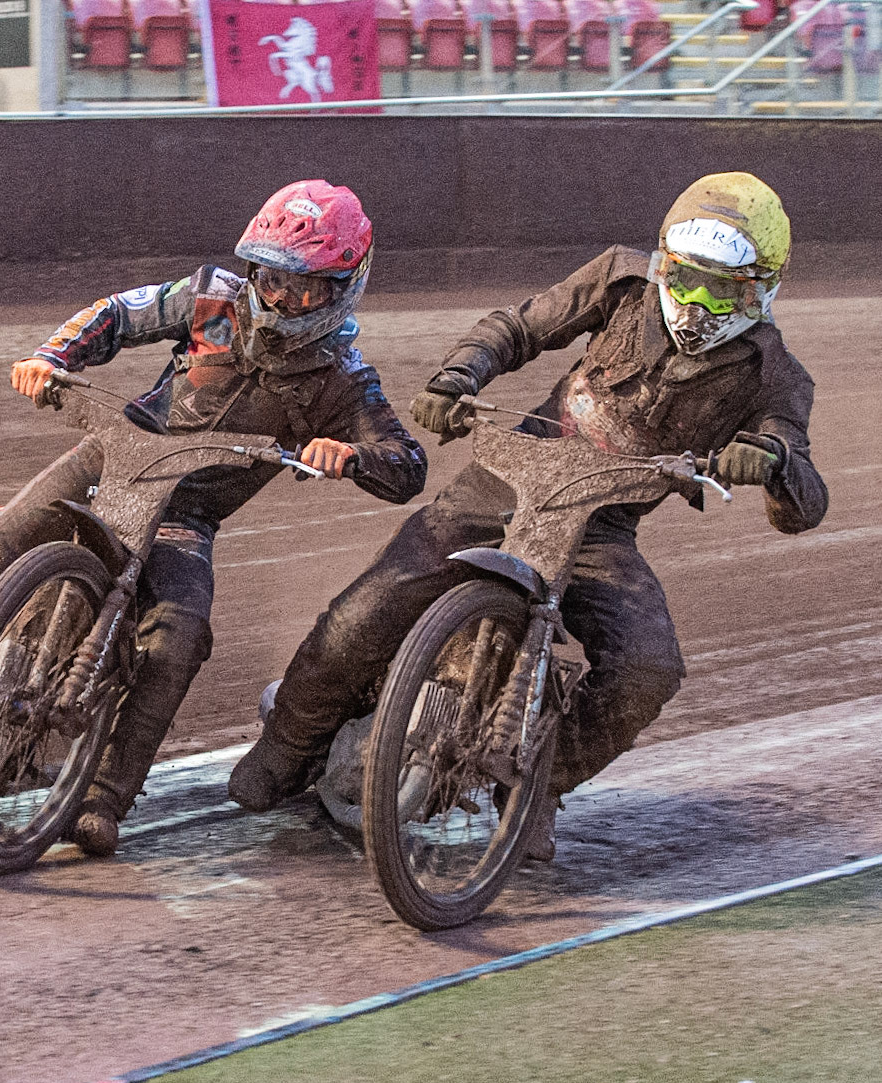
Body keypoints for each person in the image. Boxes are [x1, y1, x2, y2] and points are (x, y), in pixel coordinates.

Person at [0, 180, 428, 856]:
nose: (279, 298)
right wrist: (53, 357)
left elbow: (407, 462)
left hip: (183, 518)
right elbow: (116, 315)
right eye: (271, 278)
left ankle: (106, 797)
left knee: (179, 638)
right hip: (107, 464)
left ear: (342, 288)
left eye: (302, 288)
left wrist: (350, 456)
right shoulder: (215, 303)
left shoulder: (341, 380)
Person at [233, 172, 828, 860]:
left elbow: (800, 499)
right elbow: (518, 326)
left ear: (759, 289)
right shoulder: (618, 280)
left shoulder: (775, 375)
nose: (694, 300)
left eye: (718, 288)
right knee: (374, 601)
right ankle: (285, 743)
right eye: (684, 277)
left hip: (600, 529)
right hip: (508, 478)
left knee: (647, 666)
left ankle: (538, 782)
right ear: (662, 261)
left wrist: (773, 460)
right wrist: (459, 375)